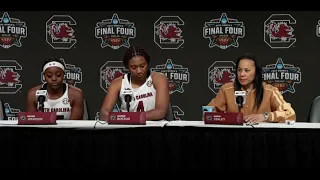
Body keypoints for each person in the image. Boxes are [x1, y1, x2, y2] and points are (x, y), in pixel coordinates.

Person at [206, 53, 296, 123]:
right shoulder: (226, 90)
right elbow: (207, 114)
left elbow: (290, 114)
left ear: (256, 72)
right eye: (239, 70)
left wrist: (265, 116)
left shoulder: (270, 91)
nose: (242, 74)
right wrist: (226, 118)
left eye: (247, 70)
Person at [99, 46, 170, 121]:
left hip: (155, 128)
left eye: (142, 66)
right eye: (134, 67)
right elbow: (104, 114)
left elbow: (160, 112)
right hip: (127, 129)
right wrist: (126, 119)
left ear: (147, 63)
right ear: (127, 67)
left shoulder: (159, 79)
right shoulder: (117, 83)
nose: (139, 71)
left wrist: (129, 117)